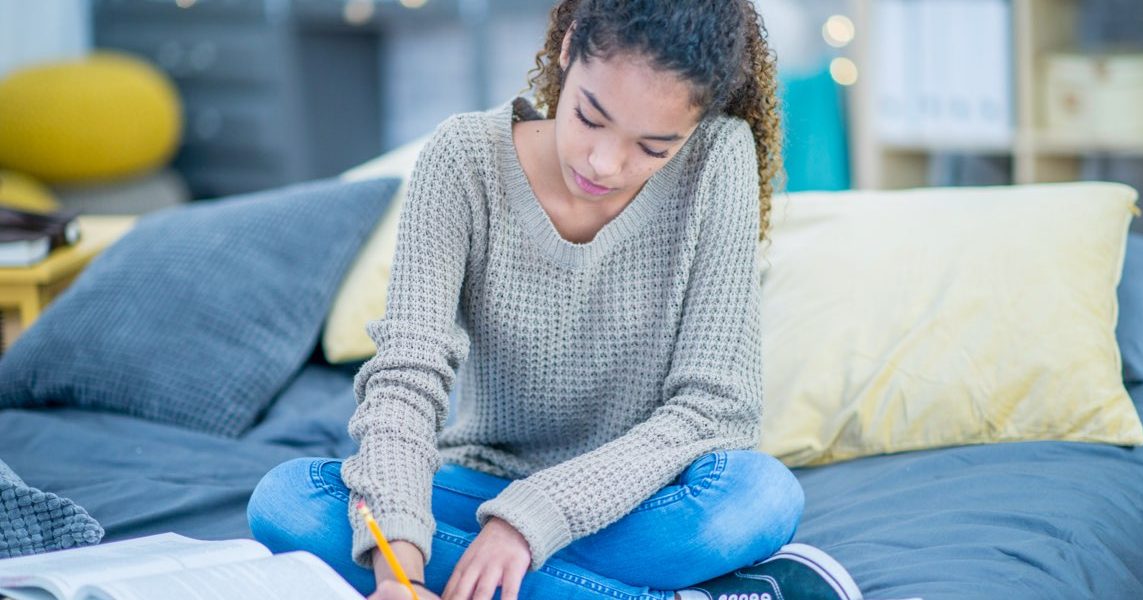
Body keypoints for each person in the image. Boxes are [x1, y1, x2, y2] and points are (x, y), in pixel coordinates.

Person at [247, 1, 862, 599]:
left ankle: (508, 570)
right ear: (569, 50)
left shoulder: (718, 158)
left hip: (641, 492)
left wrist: (528, 524)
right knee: (288, 501)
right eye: (591, 118)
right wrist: (399, 578)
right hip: (482, 479)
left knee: (759, 496)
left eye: (652, 148)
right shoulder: (464, 161)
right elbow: (407, 380)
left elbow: (714, 409)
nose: (605, 163)